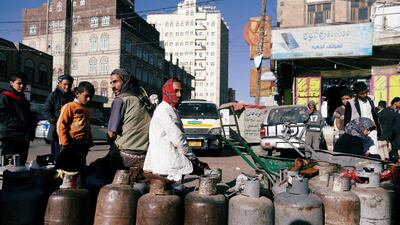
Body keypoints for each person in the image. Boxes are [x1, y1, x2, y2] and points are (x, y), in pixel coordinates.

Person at [143, 78, 208, 183]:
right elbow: (178, 140)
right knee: (171, 195)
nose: (179, 95)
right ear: (167, 91)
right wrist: (194, 159)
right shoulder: (165, 110)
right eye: (176, 91)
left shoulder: (170, 109)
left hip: (167, 163)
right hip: (168, 165)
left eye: (181, 91)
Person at [107, 68, 152, 169]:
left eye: (115, 82)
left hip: (123, 154)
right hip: (144, 155)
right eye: (111, 83)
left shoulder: (120, 100)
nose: (112, 86)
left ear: (125, 81)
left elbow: (111, 133)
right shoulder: (143, 100)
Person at [56, 81, 95, 172]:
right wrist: (65, 143)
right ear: (77, 94)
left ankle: (77, 184)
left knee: (79, 168)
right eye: (86, 96)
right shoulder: (70, 106)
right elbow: (61, 125)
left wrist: (90, 141)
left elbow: (88, 127)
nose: (89, 99)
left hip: (83, 145)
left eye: (90, 97)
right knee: (65, 170)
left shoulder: (87, 109)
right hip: (70, 144)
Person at [0, 73, 36, 165]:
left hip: (23, 137)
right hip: (11, 136)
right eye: (19, 83)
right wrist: (21, 124)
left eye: (24, 84)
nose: (22, 86)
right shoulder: (6, 97)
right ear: (11, 83)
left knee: (21, 164)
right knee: (9, 166)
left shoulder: (23, 99)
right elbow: (3, 115)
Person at [43, 74, 75, 162]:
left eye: (69, 85)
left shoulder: (72, 96)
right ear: (59, 84)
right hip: (56, 133)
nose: (67, 87)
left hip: (70, 133)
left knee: (69, 159)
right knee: (58, 159)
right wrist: (55, 121)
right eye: (65, 84)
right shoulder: (53, 95)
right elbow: (46, 110)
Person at [344, 82, 381, 155]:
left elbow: (374, 114)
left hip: (371, 130)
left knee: (373, 151)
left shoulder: (371, 100)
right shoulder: (350, 103)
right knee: (361, 153)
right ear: (356, 93)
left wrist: (379, 129)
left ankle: (373, 165)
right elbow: (347, 121)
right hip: (359, 132)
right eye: (362, 93)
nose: (365, 95)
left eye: (366, 92)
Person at [390, 97, 400, 163]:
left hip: (398, 131)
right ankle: (394, 159)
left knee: (397, 145)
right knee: (393, 145)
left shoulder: (399, 110)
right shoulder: (389, 110)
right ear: (395, 102)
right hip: (392, 131)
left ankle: (397, 158)